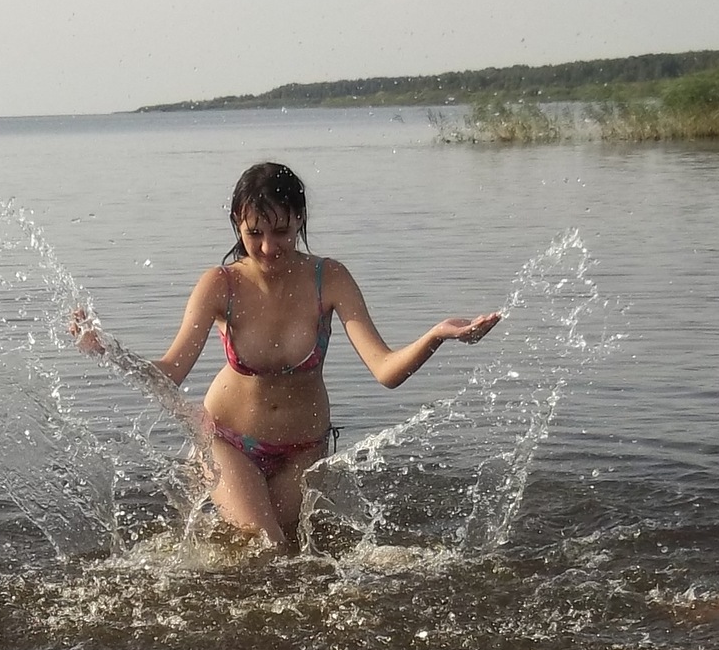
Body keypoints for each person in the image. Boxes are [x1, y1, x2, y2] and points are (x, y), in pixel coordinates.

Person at [74, 162, 502, 548]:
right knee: (268, 547)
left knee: (292, 557)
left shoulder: (329, 278)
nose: (267, 247)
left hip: (303, 450)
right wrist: (110, 351)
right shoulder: (220, 285)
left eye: (280, 231)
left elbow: (385, 371)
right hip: (229, 441)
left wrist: (437, 335)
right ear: (237, 223)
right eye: (254, 233)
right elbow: (170, 371)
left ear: (299, 218)